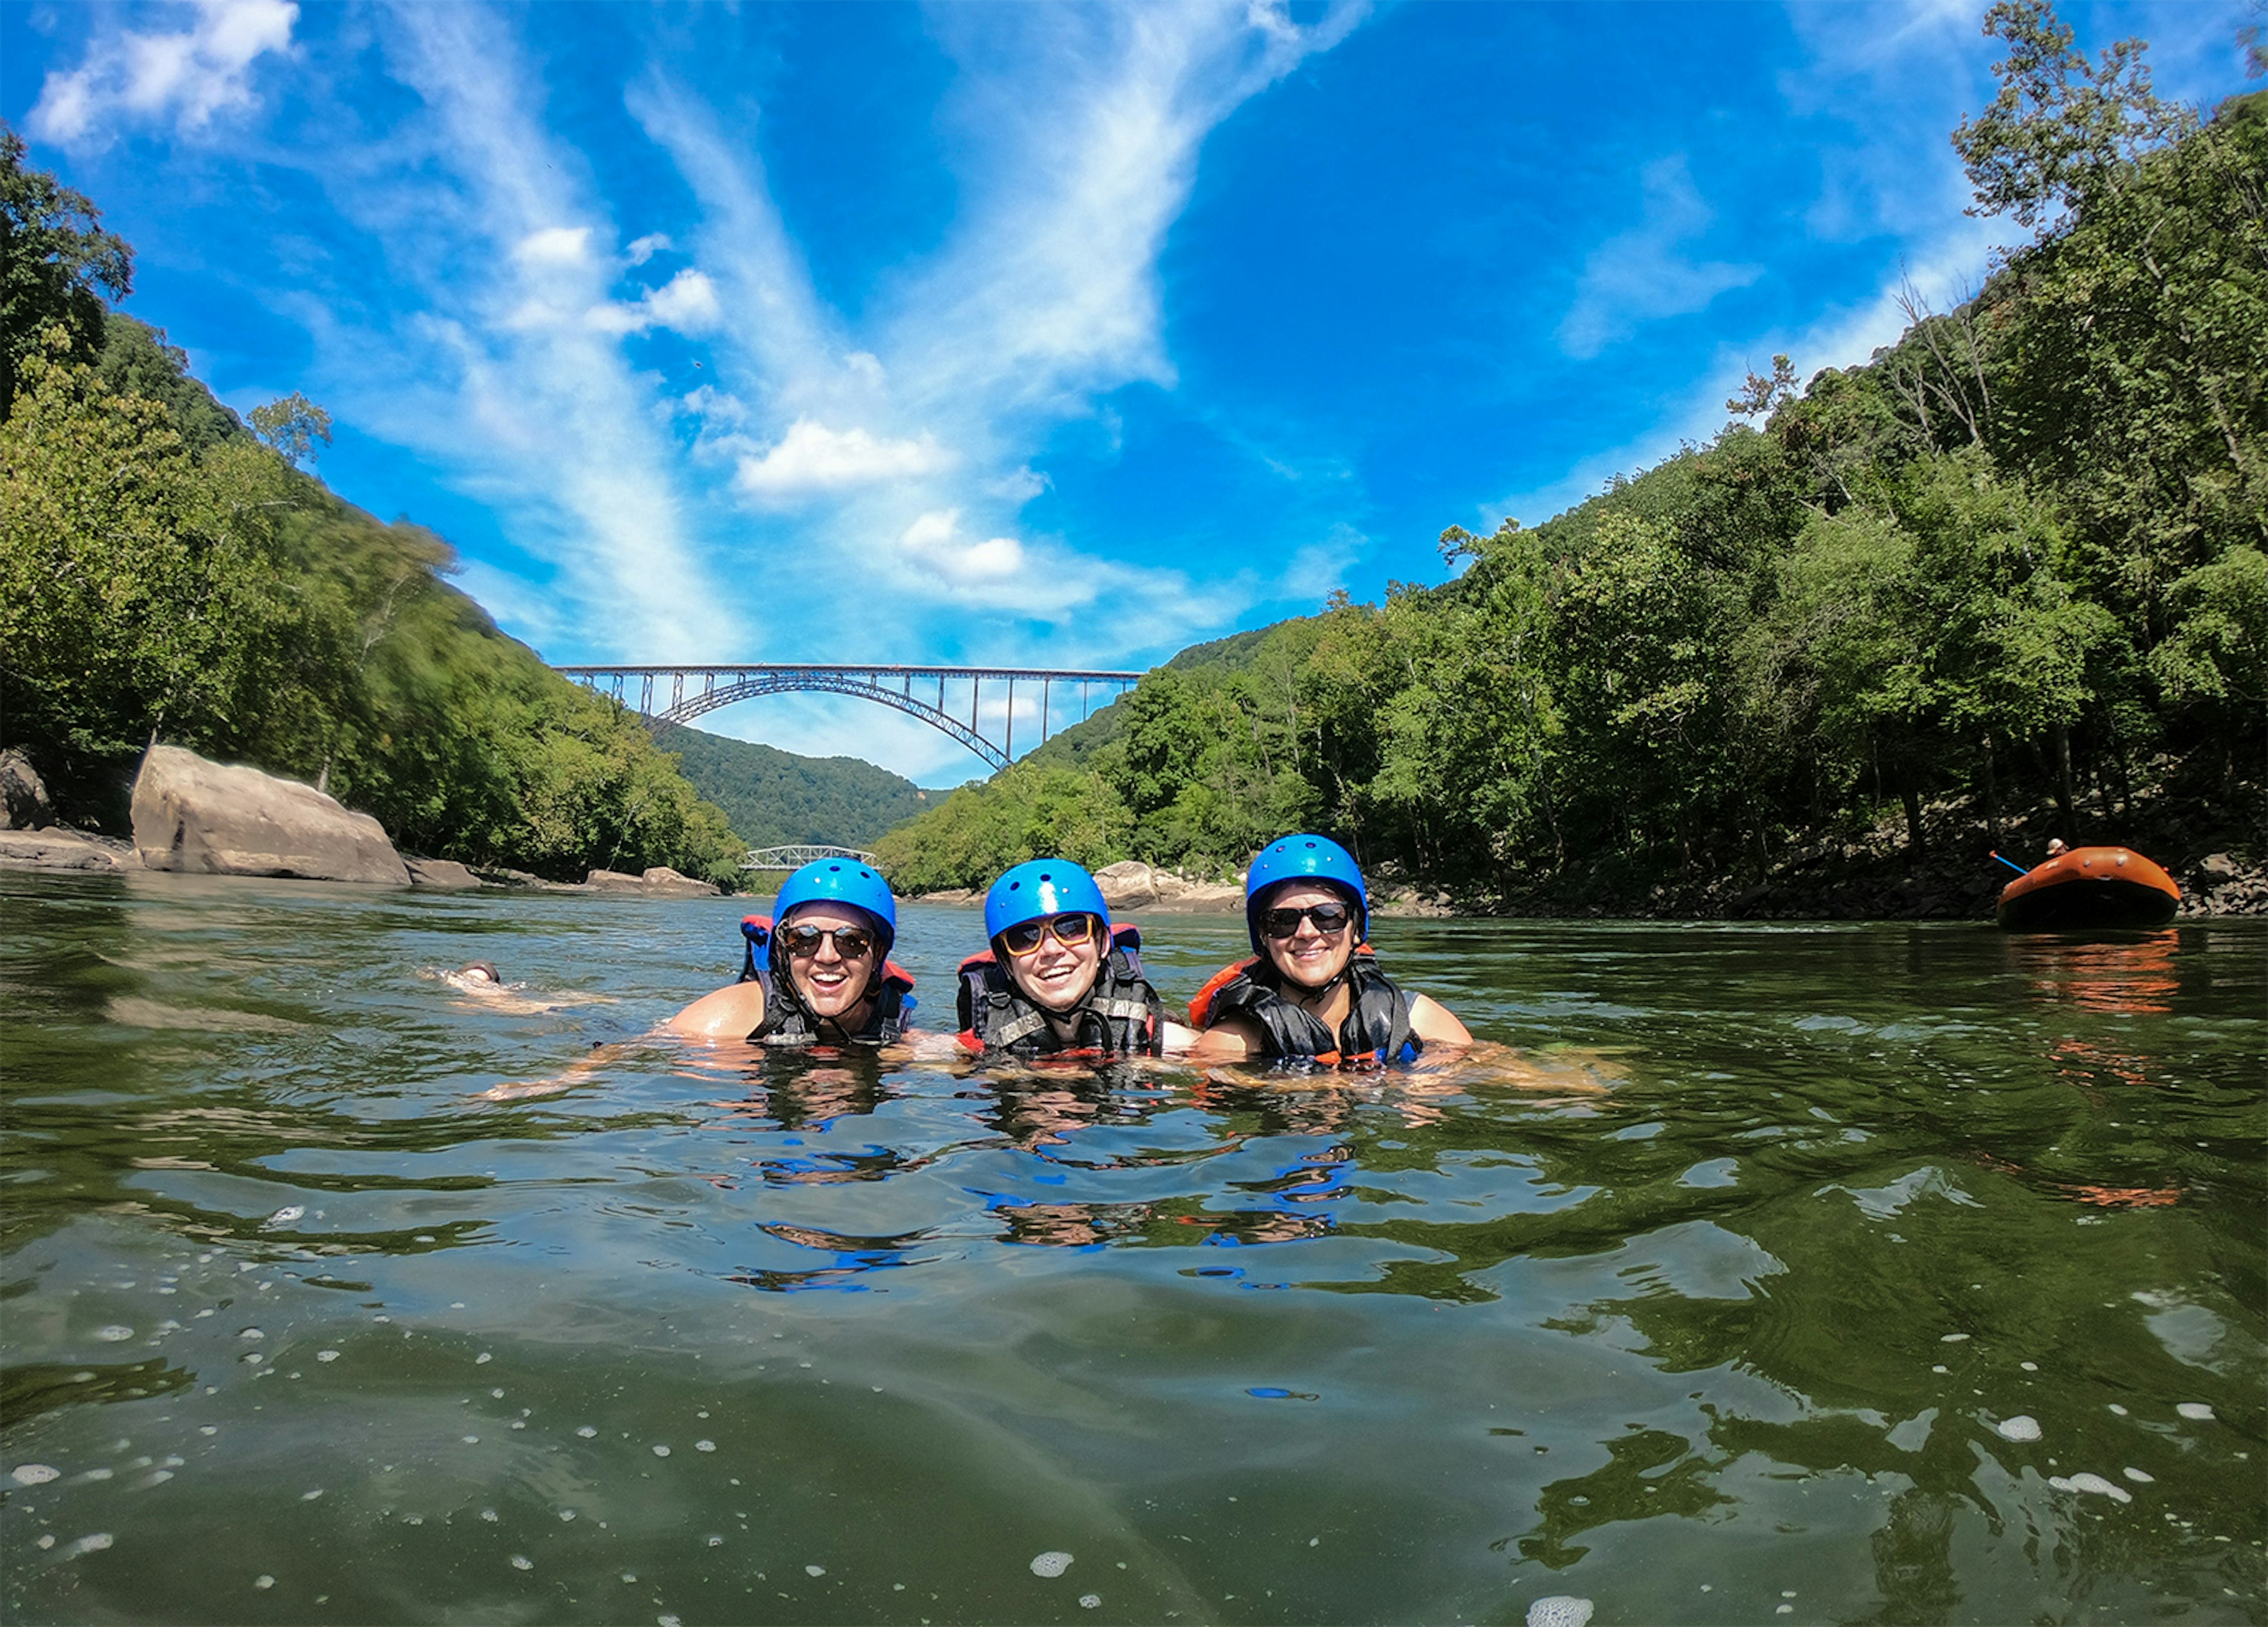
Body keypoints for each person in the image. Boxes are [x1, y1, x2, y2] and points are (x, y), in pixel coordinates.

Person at [1188, 834, 1471, 1066]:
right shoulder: (1233, 1042)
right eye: (1283, 920)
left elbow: (1495, 1070)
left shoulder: (1415, 1019)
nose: (1307, 932)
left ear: (1356, 928)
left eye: (1328, 915)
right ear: (1263, 937)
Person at [957, 859, 1195, 1057]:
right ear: (1007, 962)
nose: (1051, 949)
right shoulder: (976, 1048)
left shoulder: (1165, 1040)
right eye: (1024, 937)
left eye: (1072, 927)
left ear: (1102, 943)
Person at [665, 858, 915, 1046]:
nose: (827, 956)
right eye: (804, 939)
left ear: (878, 953)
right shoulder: (722, 1020)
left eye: (851, 941)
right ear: (783, 948)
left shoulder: (900, 1033)